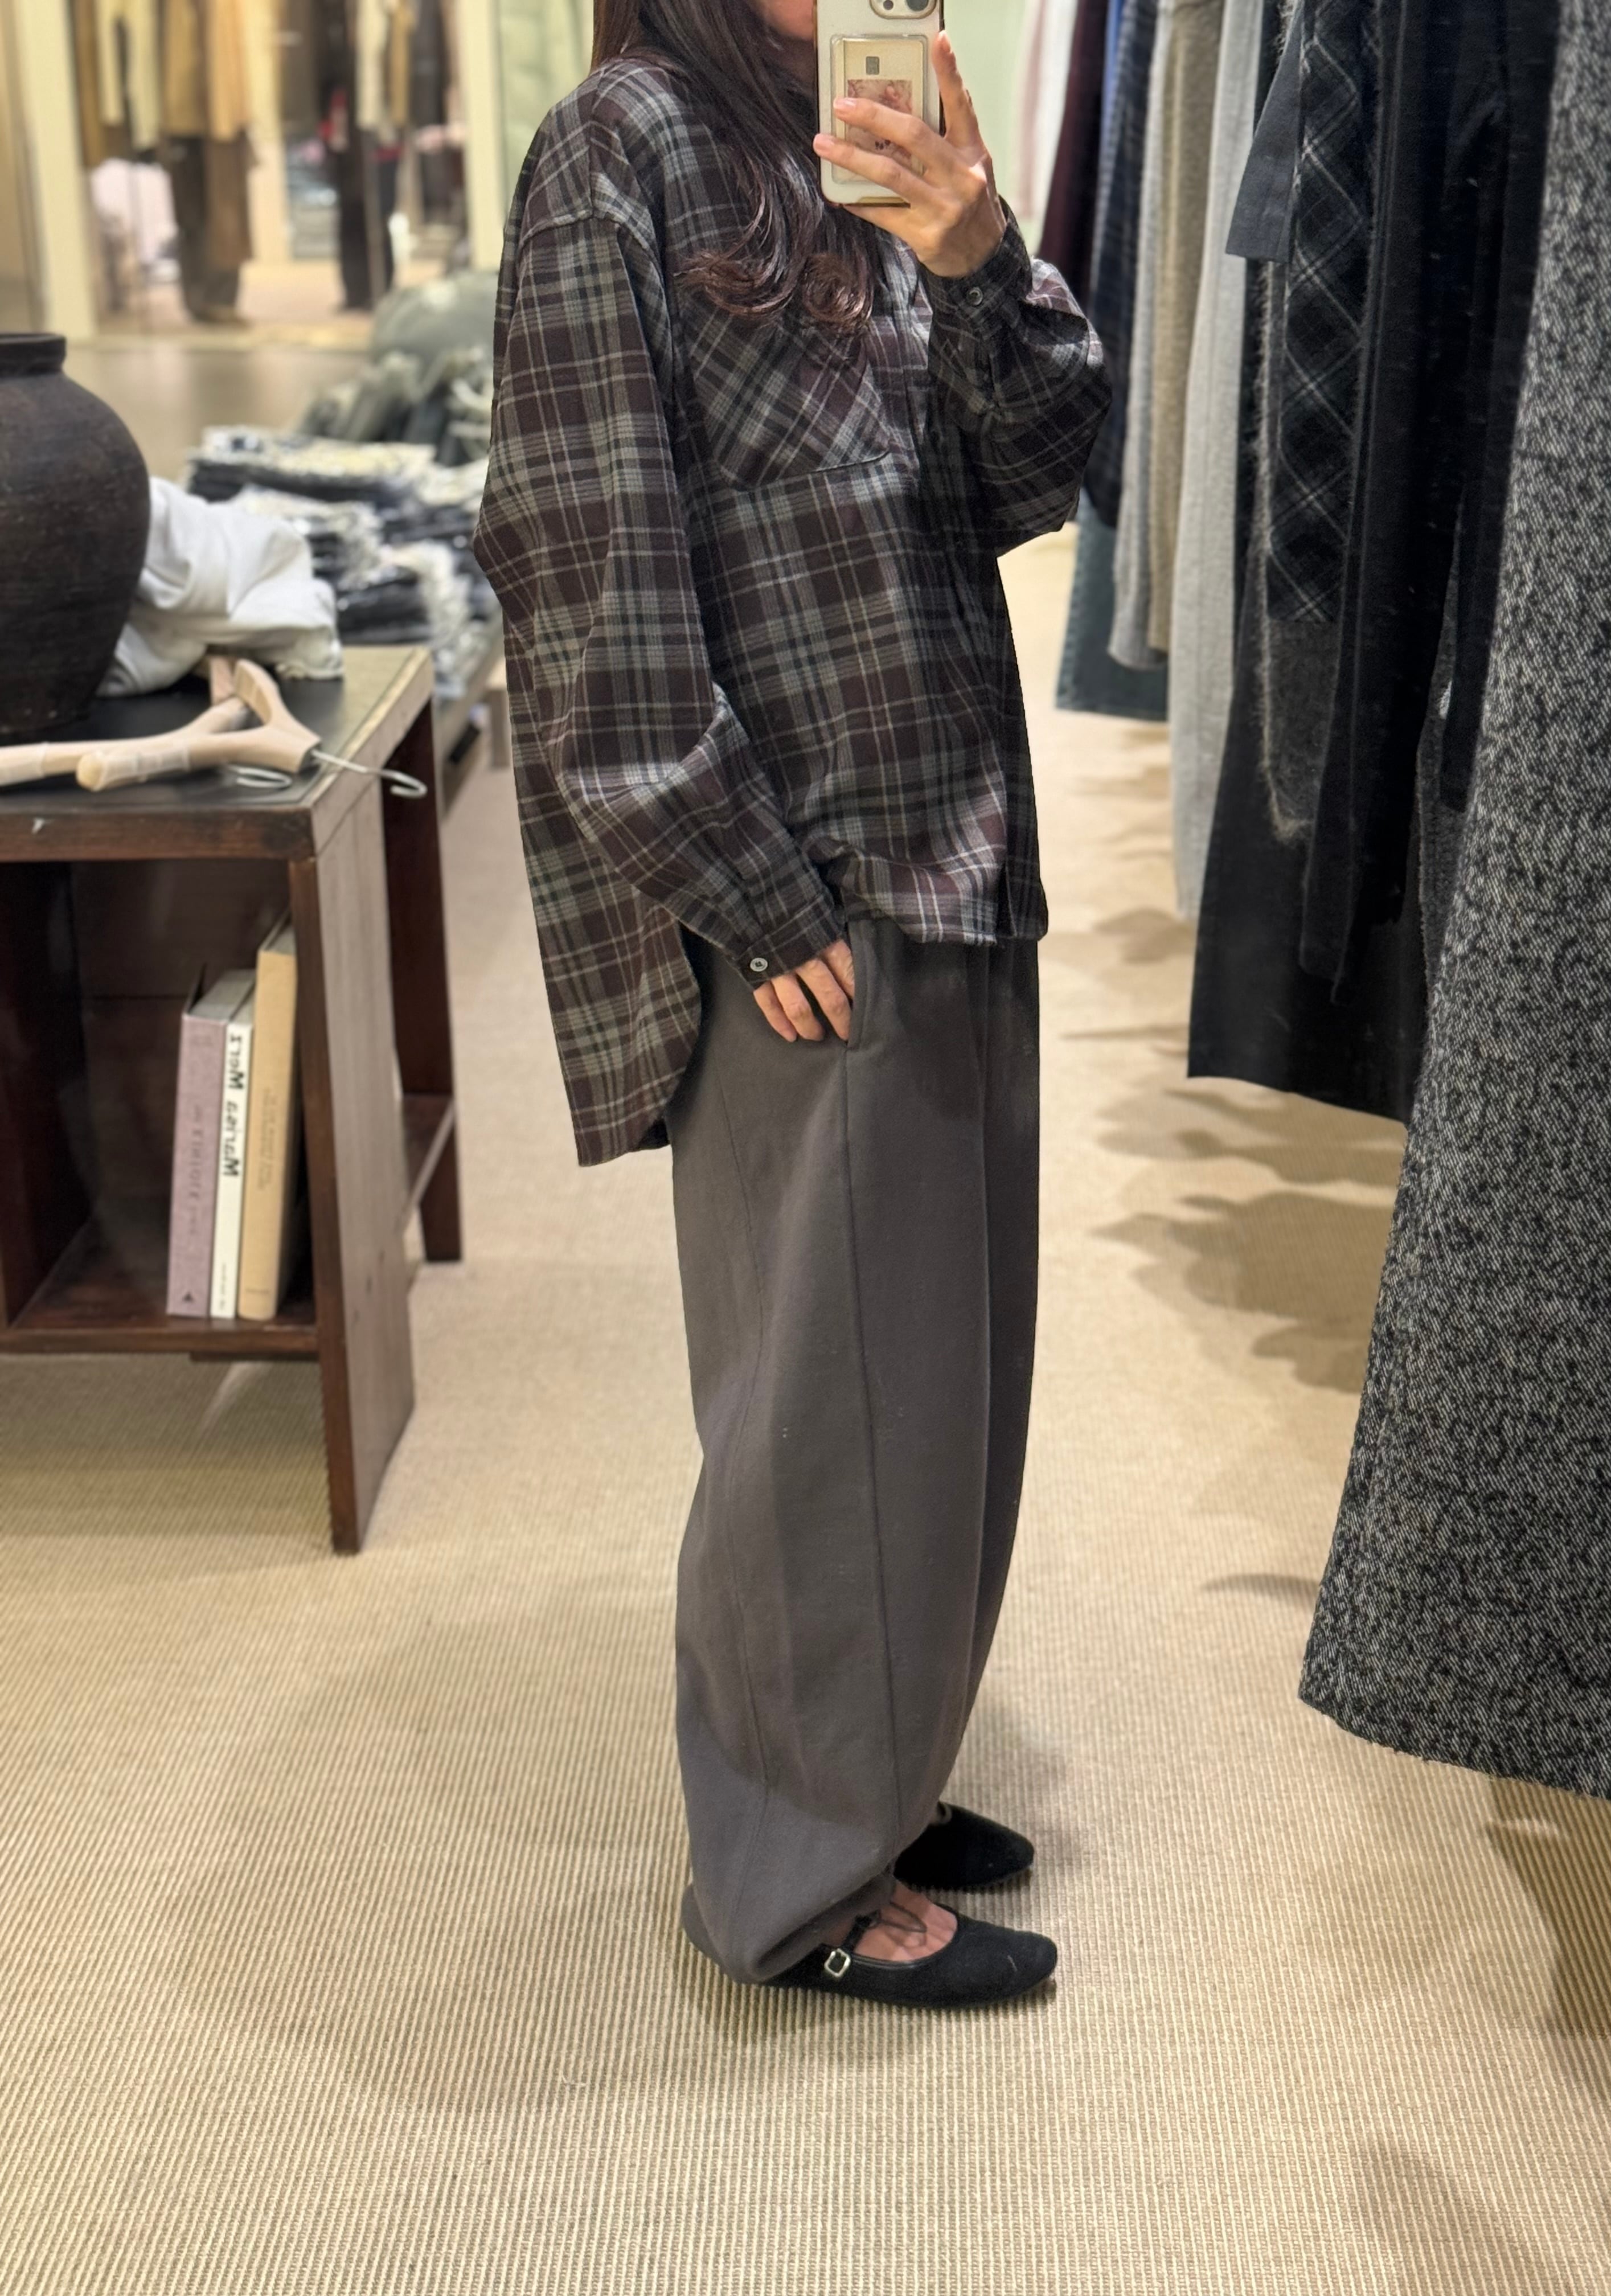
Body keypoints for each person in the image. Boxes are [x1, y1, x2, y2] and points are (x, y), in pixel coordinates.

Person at [475, 0, 1108, 2010]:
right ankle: (796, 1878)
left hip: (949, 830)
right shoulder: (621, 150)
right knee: (819, 1410)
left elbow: (1031, 475)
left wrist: (980, 260)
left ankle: (875, 1776)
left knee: (933, 1383)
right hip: (803, 887)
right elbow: (584, 574)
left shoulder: (849, 146)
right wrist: (745, 888)